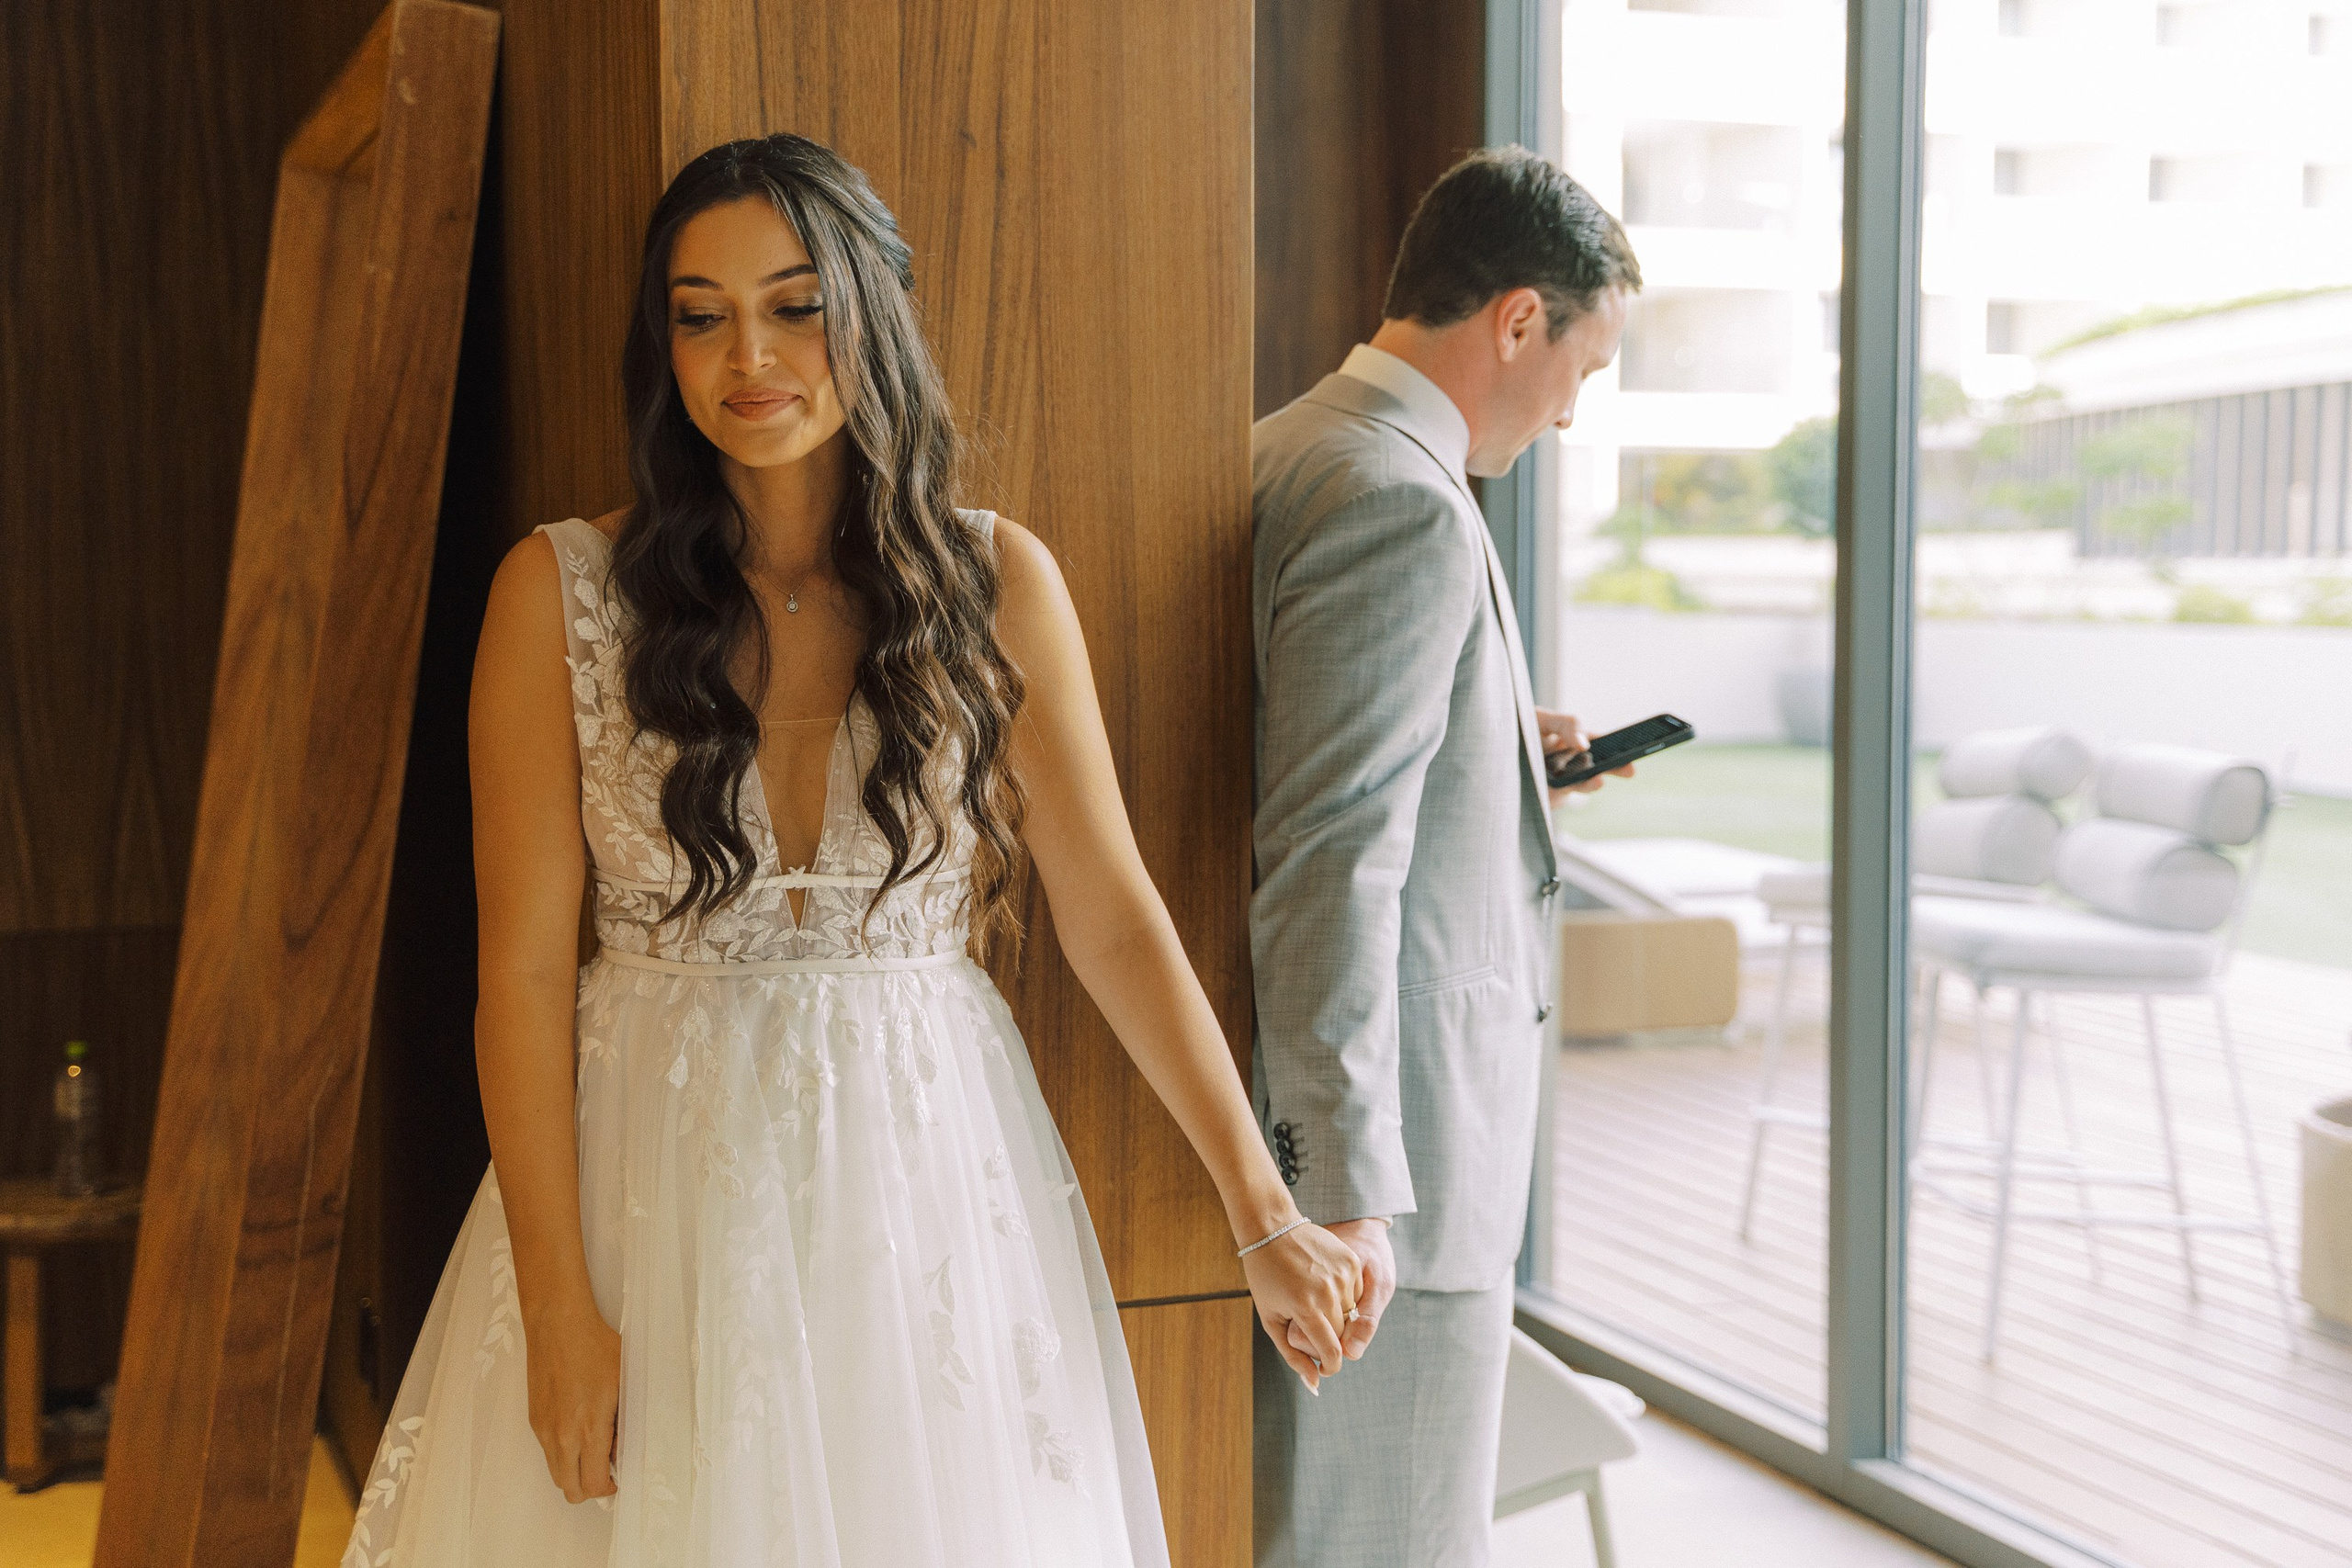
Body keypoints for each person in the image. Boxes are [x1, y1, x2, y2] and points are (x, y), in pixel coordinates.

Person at [341, 132, 1362, 1568]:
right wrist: (561, 1308)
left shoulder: (996, 582)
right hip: (654, 1195)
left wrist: (1265, 1214)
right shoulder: (560, 593)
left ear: (873, 311)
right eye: (700, 314)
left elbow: (1114, 916)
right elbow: (515, 978)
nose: (746, 352)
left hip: (924, 1191)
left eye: (794, 303)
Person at [1249, 146, 1642, 1568]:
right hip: (1394, 1168)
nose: (1569, 415)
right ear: (1519, 319)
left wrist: (1498, 747)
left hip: (1343, 1150)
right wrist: (1346, 1192)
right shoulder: (1401, 500)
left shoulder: (1289, 443)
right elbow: (1326, 857)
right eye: (1582, 373)